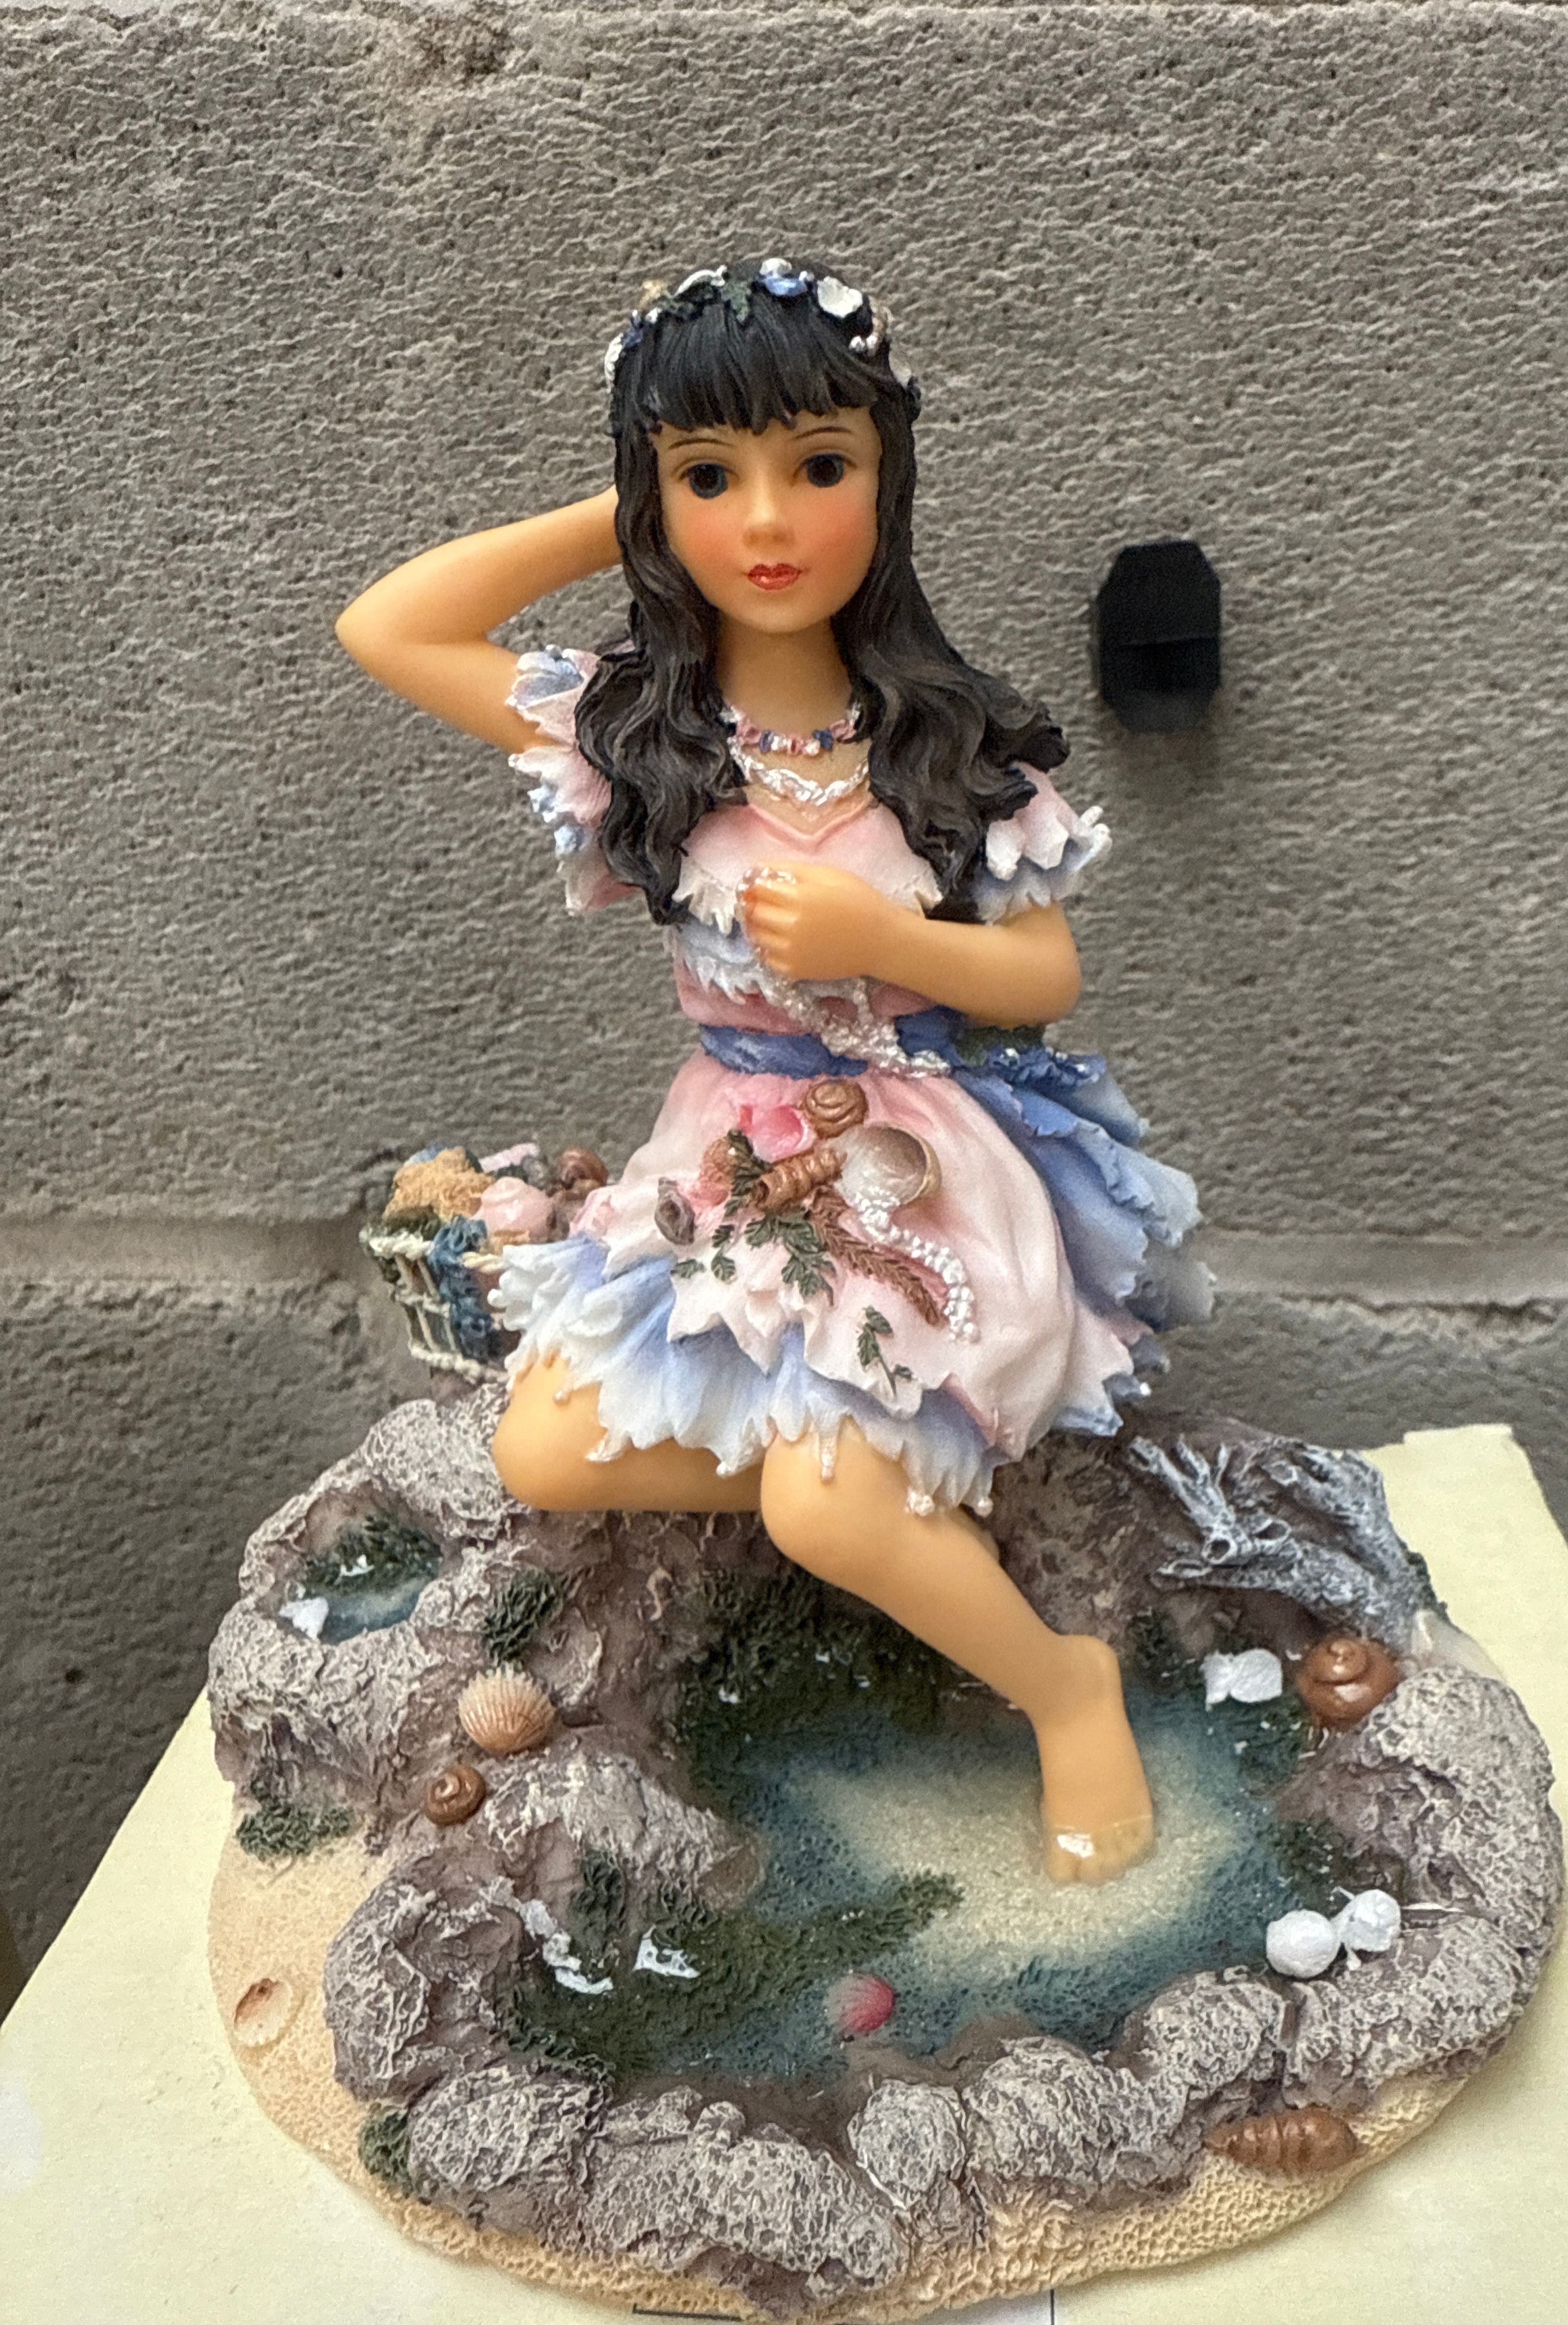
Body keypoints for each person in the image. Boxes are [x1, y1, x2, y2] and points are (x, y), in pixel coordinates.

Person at [335, 257, 1208, 1883]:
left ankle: (1059, 1685)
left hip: (918, 1159)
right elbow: (390, 626)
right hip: (731, 1160)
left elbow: (1045, 974)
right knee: (542, 1450)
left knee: (819, 1508)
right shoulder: (638, 730)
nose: (768, 521)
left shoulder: (945, 743)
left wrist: (892, 935)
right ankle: (870, 1466)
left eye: (817, 466)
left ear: (886, 476)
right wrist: (631, 516)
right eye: (710, 478)